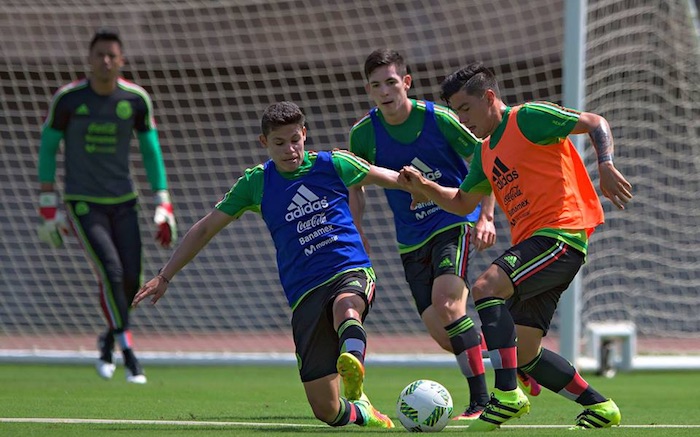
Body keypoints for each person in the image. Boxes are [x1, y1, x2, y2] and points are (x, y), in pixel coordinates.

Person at [133, 101, 396, 429]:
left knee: (346, 308)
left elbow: (390, 177)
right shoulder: (256, 183)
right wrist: (165, 276)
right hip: (304, 292)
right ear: (264, 142)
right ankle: (362, 411)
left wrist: (423, 189)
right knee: (327, 410)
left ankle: (353, 366)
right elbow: (205, 228)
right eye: (279, 143)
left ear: (305, 134)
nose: (290, 149)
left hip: (349, 269)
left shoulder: (333, 163)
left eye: (294, 140)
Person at [398, 62, 632, 431]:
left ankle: (506, 395)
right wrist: (424, 186)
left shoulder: (528, 117)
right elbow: (462, 202)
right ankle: (601, 407)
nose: (462, 119)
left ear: (489, 97)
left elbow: (594, 122)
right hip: (537, 245)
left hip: (560, 234)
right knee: (524, 353)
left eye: (465, 109)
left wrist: (605, 163)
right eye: (456, 111)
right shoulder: (486, 151)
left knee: (485, 287)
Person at [348, 49, 539, 420]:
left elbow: (486, 156)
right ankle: (516, 364)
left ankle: (484, 402)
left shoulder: (439, 118)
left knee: (449, 305)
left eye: (391, 82)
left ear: (406, 82)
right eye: (376, 85)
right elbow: (358, 186)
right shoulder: (363, 134)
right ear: (368, 90)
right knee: (442, 330)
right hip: (410, 238)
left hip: (454, 220)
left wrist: (486, 216)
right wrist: (357, 230)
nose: (385, 91)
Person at [37, 28, 177, 384]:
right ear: (89, 59)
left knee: (131, 279)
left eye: (111, 55)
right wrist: (48, 205)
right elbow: (48, 148)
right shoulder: (68, 100)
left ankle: (107, 339)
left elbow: (150, 150)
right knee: (111, 272)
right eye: (99, 54)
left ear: (121, 60)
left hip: (125, 201)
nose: (105, 61)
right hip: (83, 202)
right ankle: (129, 352)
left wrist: (164, 203)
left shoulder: (135, 100)